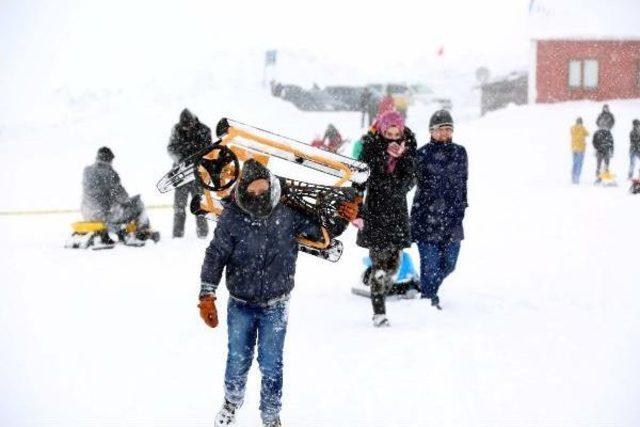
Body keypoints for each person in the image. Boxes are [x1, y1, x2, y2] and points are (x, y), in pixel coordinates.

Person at [198, 159, 358, 427]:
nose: (259, 196)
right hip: (240, 303)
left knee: (271, 364)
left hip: (276, 304)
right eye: (253, 191)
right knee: (238, 359)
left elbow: (322, 234)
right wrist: (207, 293)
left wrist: (343, 216)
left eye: (263, 190)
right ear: (243, 191)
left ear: (271, 187)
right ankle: (231, 402)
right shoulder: (232, 217)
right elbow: (215, 255)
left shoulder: (287, 213)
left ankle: (271, 416)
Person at [355, 110, 417, 327]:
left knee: (394, 264)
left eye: (396, 132)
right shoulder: (371, 146)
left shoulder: (408, 146)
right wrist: (356, 210)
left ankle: (374, 276)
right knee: (380, 263)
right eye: (388, 132)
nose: (392, 136)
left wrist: (401, 162)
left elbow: (412, 176)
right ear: (382, 130)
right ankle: (379, 312)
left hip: (398, 212)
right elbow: (361, 177)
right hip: (375, 211)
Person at [410, 110, 468, 310]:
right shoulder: (422, 154)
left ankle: (428, 288)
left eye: (448, 129)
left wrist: (461, 207)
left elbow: (463, 182)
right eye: (440, 129)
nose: (444, 133)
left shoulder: (460, 152)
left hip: (452, 218)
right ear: (431, 131)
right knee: (430, 265)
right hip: (426, 216)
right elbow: (409, 181)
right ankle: (428, 298)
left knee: (450, 263)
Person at [81, 146, 150, 242]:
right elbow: (122, 197)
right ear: (110, 159)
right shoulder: (110, 173)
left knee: (114, 207)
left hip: (87, 214)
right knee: (138, 204)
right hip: (106, 216)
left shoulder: (87, 171)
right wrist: (129, 200)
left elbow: (97, 192)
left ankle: (117, 232)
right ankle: (142, 232)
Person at [168, 108, 212, 238]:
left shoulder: (205, 130)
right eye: (184, 126)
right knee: (179, 207)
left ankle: (203, 234)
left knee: (201, 205)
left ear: (194, 121)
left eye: (189, 125)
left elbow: (210, 151)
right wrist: (180, 159)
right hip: (181, 173)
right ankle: (177, 235)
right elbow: (170, 148)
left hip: (199, 173)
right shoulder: (176, 129)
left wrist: (199, 161)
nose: (187, 128)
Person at [570, 117, 589, 184]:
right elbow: (587, 134)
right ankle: (577, 177)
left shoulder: (572, 128)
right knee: (579, 163)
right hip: (581, 148)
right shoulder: (582, 128)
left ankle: (573, 176)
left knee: (574, 163)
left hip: (574, 148)